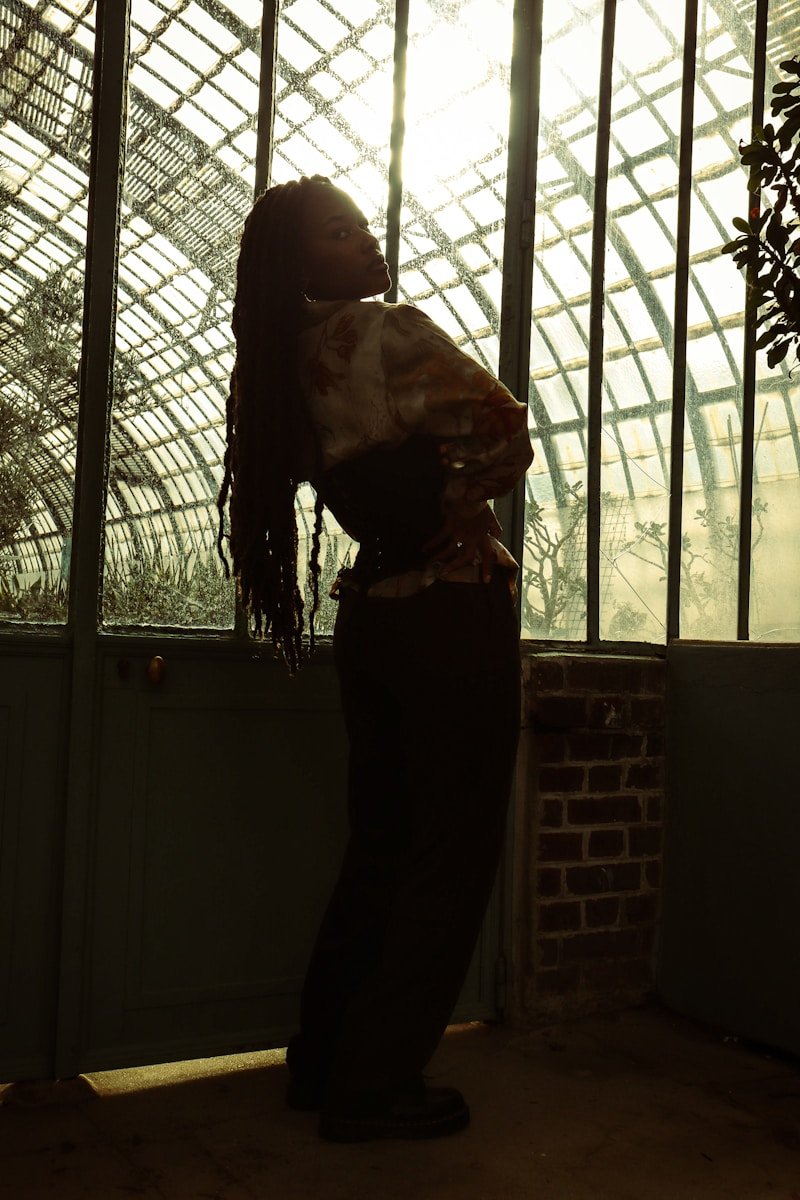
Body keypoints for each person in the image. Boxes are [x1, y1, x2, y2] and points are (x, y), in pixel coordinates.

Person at [217, 174, 533, 1142]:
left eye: (359, 225)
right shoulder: (384, 333)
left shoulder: (284, 370)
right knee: (451, 853)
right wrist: (451, 509)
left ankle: (321, 1058)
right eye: (339, 232)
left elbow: (357, 488)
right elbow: (505, 426)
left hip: (374, 626)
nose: (365, 240)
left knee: (381, 848)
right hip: (447, 615)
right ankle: (377, 1082)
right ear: (301, 262)